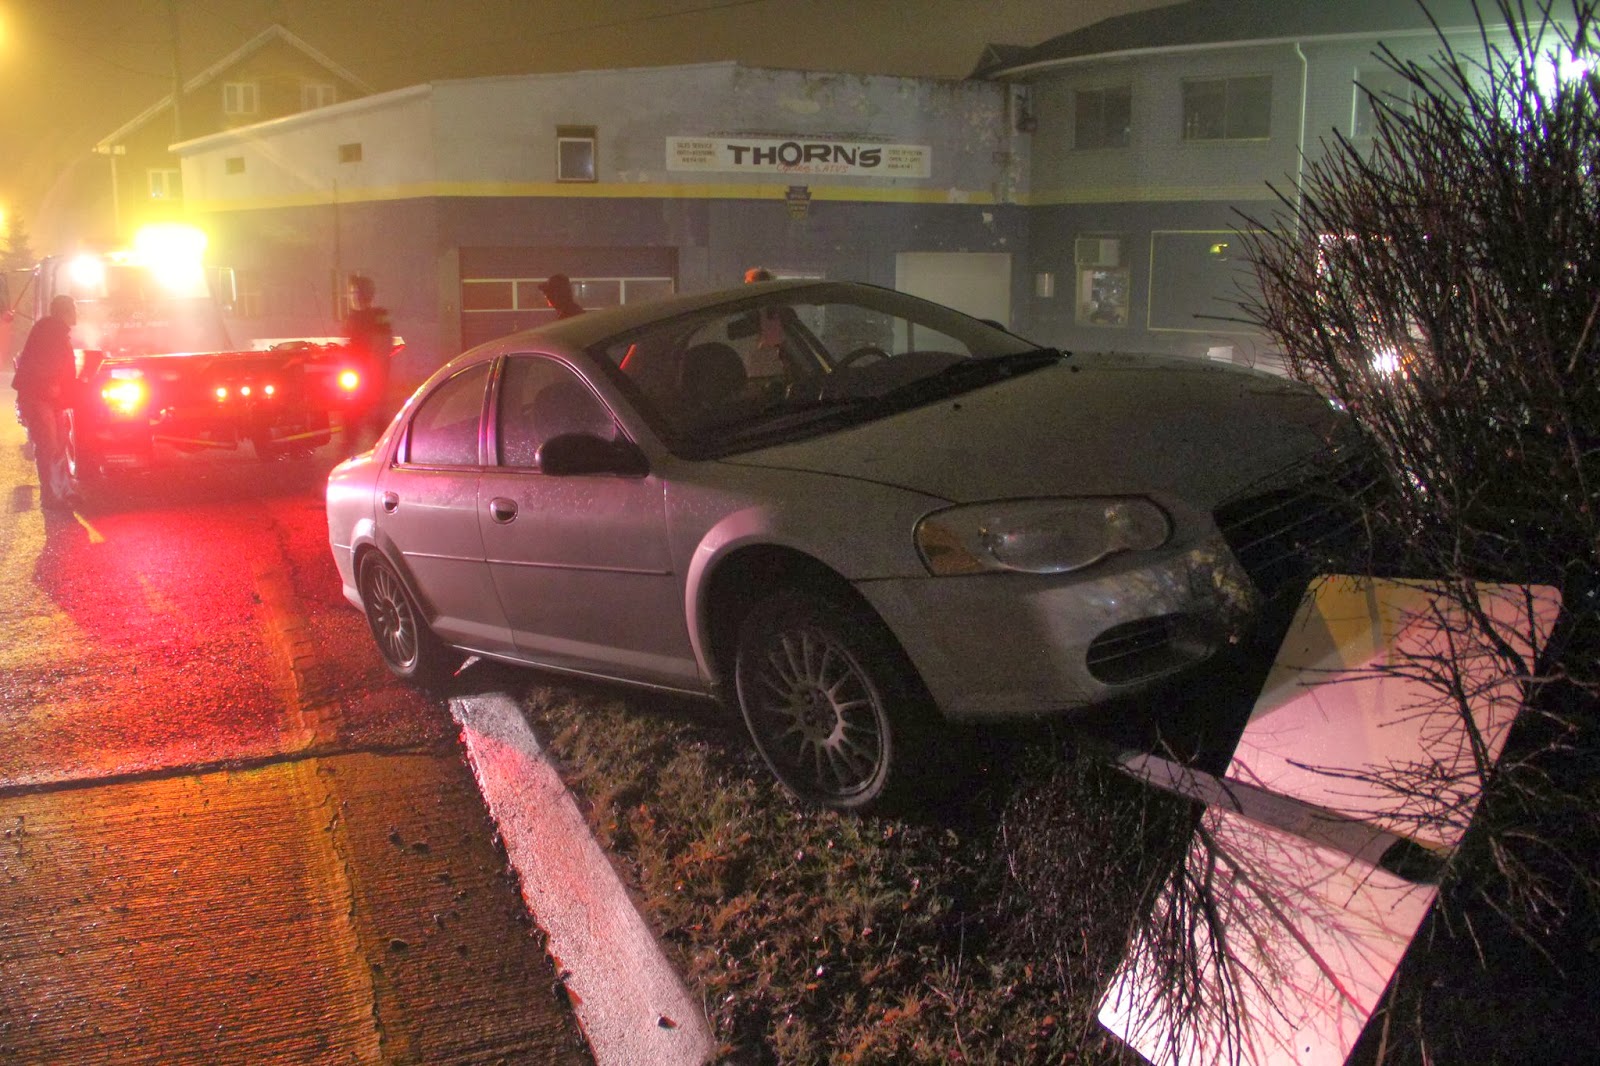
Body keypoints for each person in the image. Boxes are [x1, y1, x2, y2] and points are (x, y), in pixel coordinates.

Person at [11, 294, 79, 510]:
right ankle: (49, 495)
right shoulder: (52, 330)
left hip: (48, 398)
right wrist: (53, 385)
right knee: (48, 445)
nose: (76, 314)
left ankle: (62, 490)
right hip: (40, 398)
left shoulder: (51, 329)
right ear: (65, 312)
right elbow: (47, 364)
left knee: (58, 444)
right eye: (74, 309)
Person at [341, 274, 395, 451]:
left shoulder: (379, 315)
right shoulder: (351, 318)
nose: (353, 296)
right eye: (351, 292)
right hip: (355, 379)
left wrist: (376, 378)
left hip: (373, 378)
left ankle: (385, 457)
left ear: (367, 294)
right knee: (351, 424)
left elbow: (383, 344)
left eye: (356, 292)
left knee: (378, 425)